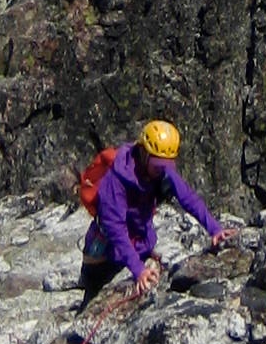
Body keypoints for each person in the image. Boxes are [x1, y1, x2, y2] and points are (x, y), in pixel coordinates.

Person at [81, 118, 230, 304]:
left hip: (139, 245)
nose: (162, 170)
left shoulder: (162, 168)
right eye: (158, 165)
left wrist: (214, 229)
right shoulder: (116, 179)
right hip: (104, 257)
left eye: (167, 165)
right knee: (93, 305)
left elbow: (187, 197)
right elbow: (115, 228)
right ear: (144, 153)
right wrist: (138, 270)